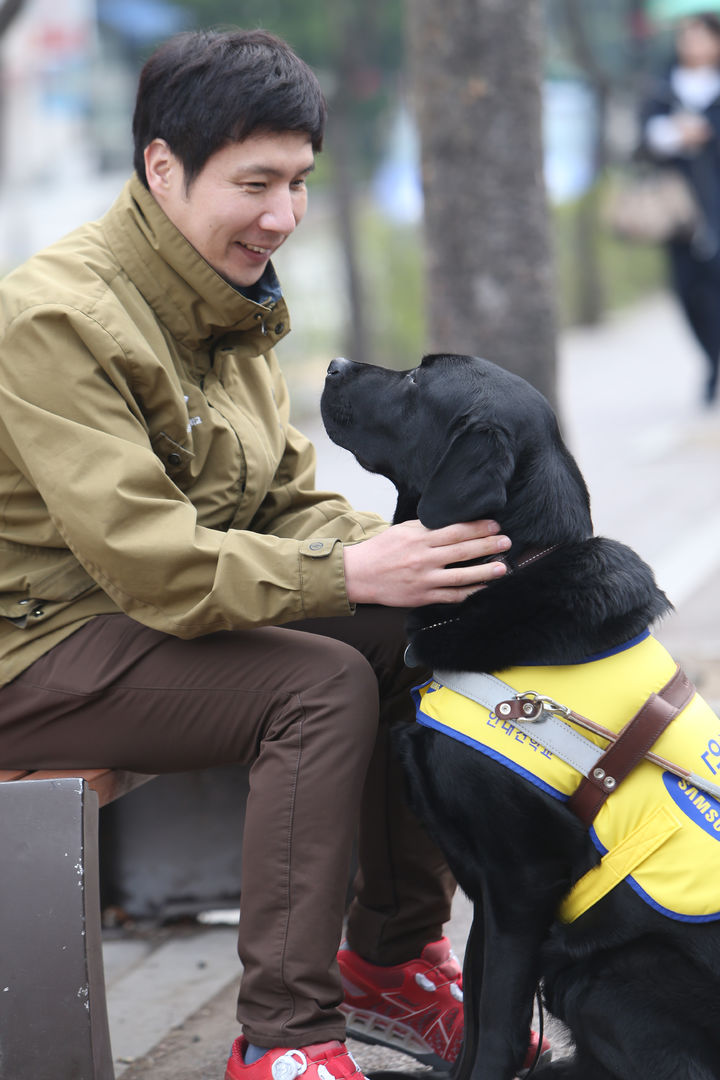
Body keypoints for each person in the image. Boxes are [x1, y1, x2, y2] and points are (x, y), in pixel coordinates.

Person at [0, 29, 549, 1080]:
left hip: (142, 628)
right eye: (255, 183)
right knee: (317, 688)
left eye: (299, 182)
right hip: (37, 651)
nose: (283, 216)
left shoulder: (225, 303)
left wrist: (415, 555)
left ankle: (393, 962)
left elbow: (288, 500)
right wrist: (346, 574)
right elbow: (151, 561)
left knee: (424, 621)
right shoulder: (55, 317)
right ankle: (286, 1039)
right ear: (163, 166)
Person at [642, 12, 720, 405]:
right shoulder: (661, 87)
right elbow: (643, 140)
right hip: (679, 213)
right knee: (688, 294)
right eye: (687, 37)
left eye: (702, 36)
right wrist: (674, 134)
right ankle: (712, 360)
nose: (693, 44)